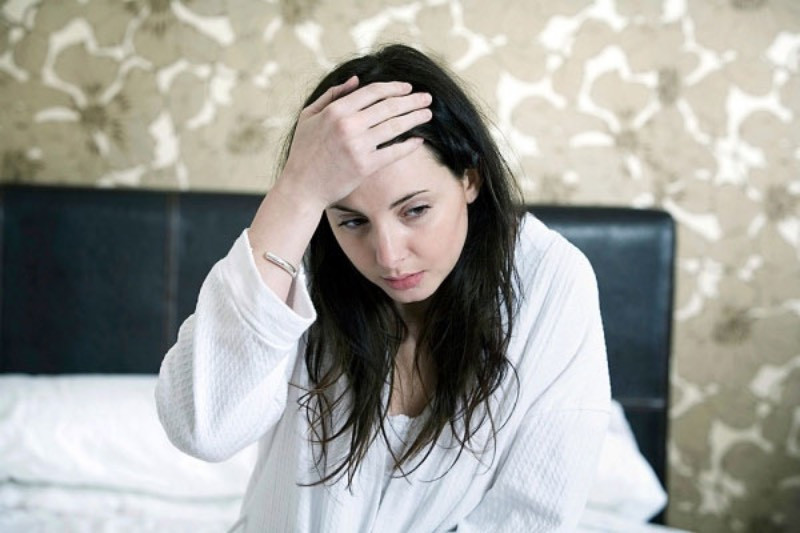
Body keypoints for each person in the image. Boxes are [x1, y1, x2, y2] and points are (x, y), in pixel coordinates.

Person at [156, 44, 610, 532]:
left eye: (415, 210)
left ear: (470, 179)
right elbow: (203, 428)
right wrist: (297, 192)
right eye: (352, 221)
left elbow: (531, 515)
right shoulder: (297, 257)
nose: (388, 256)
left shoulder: (550, 280)